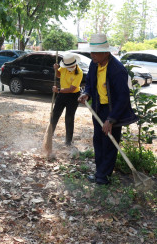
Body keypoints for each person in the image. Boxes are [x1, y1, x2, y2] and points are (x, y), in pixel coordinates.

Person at [78, 33, 138, 185]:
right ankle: (100, 172)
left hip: (113, 111)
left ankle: (104, 176)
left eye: (95, 52)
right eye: (91, 52)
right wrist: (86, 94)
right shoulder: (94, 64)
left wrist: (111, 120)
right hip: (98, 108)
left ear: (106, 52)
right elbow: (90, 83)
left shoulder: (117, 70)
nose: (92, 55)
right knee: (98, 140)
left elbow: (123, 98)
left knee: (109, 143)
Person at [51, 53, 83, 146]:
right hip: (62, 95)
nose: (69, 67)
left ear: (75, 63)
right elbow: (58, 75)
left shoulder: (79, 72)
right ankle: (49, 135)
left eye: (71, 66)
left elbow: (72, 89)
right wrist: (56, 69)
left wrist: (58, 90)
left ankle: (68, 141)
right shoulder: (64, 67)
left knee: (69, 118)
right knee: (55, 114)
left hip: (73, 96)